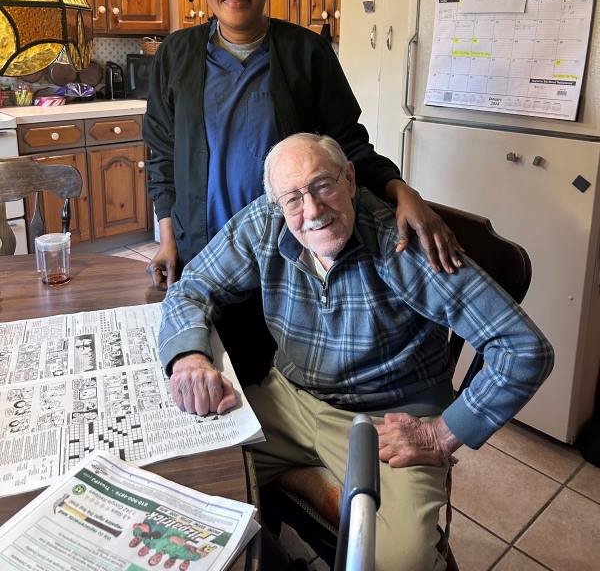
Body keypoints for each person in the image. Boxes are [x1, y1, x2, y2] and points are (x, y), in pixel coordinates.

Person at [158, 133, 554, 571]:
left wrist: (442, 434)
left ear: (349, 178)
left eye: (322, 186)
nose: (311, 211)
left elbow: (523, 349)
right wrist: (190, 357)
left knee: (400, 561)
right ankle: (306, 480)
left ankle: (302, 480)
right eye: (293, 198)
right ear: (276, 202)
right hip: (288, 399)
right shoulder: (263, 223)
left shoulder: (401, 245)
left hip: (388, 421)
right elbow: (191, 287)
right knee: (188, 481)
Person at [143, 0, 459, 381]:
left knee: (279, 375)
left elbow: (347, 146)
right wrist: (168, 240)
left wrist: (400, 190)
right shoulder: (176, 53)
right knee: (213, 377)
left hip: (288, 255)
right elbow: (161, 154)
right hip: (204, 249)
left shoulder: (307, 53)